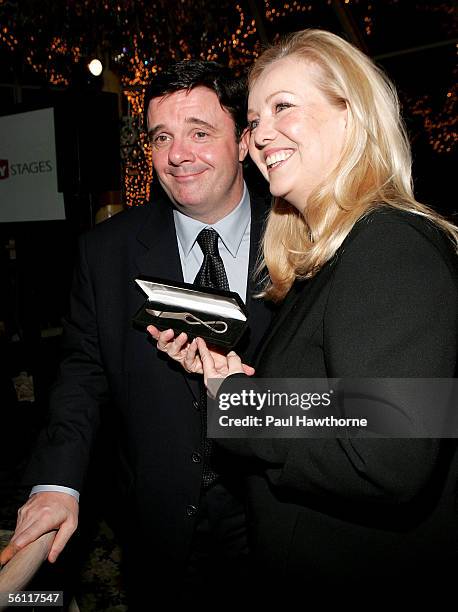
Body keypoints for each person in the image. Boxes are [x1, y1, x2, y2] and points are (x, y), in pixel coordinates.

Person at [151, 30, 458, 601]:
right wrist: (227, 381)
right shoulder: (330, 258)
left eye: (283, 107)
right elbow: (347, 406)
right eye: (255, 117)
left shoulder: (389, 246)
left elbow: (391, 448)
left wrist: (243, 406)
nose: (261, 133)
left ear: (351, 115)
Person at [0, 60, 272, 605]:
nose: (178, 154)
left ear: (243, 142)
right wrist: (57, 481)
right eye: (162, 137)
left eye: (200, 133)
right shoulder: (107, 252)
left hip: (276, 522)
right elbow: (82, 378)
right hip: (158, 534)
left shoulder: (306, 238)